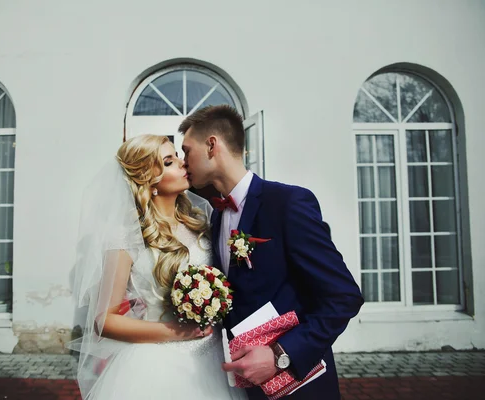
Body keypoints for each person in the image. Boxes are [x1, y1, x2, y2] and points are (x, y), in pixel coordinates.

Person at [179, 105, 364, 400]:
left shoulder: (287, 203)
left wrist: (281, 354)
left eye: (186, 150)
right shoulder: (216, 217)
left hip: (300, 386)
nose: (183, 161)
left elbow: (343, 296)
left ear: (212, 145)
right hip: (248, 386)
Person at [70, 134, 247, 399]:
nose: (182, 163)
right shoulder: (126, 235)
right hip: (157, 364)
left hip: (213, 357)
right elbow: (104, 321)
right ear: (148, 178)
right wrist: (178, 333)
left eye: (177, 155)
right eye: (169, 161)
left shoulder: (202, 218)